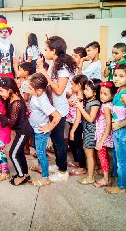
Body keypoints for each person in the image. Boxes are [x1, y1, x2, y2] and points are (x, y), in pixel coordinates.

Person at [36, 36, 76, 182]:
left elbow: (59, 90)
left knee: (59, 141)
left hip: (59, 109)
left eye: (46, 49)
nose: (44, 52)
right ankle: (59, 165)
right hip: (53, 107)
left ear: (53, 50)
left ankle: (63, 171)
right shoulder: (55, 63)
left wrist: (45, 73)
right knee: (54, 139)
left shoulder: (63, 67)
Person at [105, 64, 126, 194]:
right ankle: (117, 179)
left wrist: (119, 125)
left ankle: (121, 187)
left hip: (121, 131)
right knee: (116, 157)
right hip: (118, 131)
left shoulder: (124, 94)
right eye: (115, 75)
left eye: (121, 76)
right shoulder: (119, 91)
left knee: (121, 161)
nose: (116, 79)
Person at [0, 77, 34, 186]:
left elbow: (11, 122)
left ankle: (21, 176)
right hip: (20, 131)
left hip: (24, 131)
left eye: (2, 91)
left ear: (9, 90)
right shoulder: (10, 98)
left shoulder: (16, 102)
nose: (0, 93)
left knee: (13, 154)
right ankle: (24, 174)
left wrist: (0, 115)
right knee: (19, 152)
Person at [27, 73, 61, 187]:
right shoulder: (37, 95)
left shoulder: (43, 101)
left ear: (40, 90)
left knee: (41, 153)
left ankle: (45, 177)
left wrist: (49, 127)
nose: (28, 90)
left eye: (30, 88)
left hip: (41, 131)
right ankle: (40, 167)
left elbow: (57, 116)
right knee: (38, 150)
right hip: (35, 128)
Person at [71, 79, 101, 185]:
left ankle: (90, 177)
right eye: (85, 89)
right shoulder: (89, 101)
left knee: (89, 155)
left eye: (87, 90)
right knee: (89, 154)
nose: (84, 92)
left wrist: (80, 107)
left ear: (95, 92)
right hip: (87, 130)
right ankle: (91, 173)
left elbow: (91, 119)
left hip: (91, 131)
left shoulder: (95, 103)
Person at [94, 81, 116, 188]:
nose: (102, 96)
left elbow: (108, 125)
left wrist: (101, 141)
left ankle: (106, 179)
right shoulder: (106, 104)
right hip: (102, 135)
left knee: (102, 157)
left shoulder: (107, 107)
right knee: (105, 156)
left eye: (105, 94)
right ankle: (105, 172)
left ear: (112, 95)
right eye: (101, 93)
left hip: (103, 136)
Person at [67, 75, 88, 175]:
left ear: (79, 85)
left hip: (77, 125)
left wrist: (72, 131)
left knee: (78, 145)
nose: (71, 86)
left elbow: (78, 118)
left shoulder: (80, 99)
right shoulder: (75, 95)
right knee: (72, 144)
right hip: (72, 123)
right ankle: (77, 162)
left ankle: (82, 166)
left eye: (72, 84)